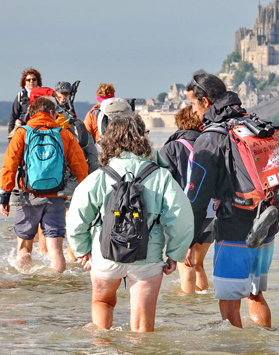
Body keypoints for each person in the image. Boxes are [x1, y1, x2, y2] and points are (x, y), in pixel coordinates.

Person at [67, 113, 194, 332]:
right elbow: (181, 218)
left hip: (105, 256)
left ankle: (102, 347)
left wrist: (82, 251)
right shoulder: (161, 176)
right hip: (147, 257)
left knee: (102, 303)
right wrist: (175, 255)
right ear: (142, 137)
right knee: (142, 327)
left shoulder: (100, 176)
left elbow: (77, 216)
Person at [185, 72, 279, 329]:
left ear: (205, 101)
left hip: (234, 221)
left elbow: (196, 198)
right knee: (254, 292)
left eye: (193, 104)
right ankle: (264, 343)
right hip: (266, 216)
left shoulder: (211, 137)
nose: (193, 111)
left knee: (228, 297)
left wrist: (189, 240)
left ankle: (235, 347)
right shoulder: (253, 124)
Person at [0, 96, 89, 273]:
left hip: (28, 197)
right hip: (56, 198)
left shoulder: (22, 133)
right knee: (56, 252)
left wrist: (5, 195)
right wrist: (84, 193)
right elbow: (81, 167)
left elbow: (9, 165)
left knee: (24, 249)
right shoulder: (64, 134)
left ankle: (26, 288)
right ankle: (55, 290)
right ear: (51, 113)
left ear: (32, 114)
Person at [160, 105, 215, 294]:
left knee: (186, 263)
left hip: (185, 212)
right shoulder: (211, 143)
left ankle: (188, 307)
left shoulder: (172, 147)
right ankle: (203, 301)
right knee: (198, 264)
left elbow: (163, 183)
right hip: (210, 210)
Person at [8, 68, 42, 138]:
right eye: (28, 80)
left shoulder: (43, 96)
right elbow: (13, 116)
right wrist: (11, 135)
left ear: (38, 81)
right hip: (25, 129)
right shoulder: (20, 95)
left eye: (34, 79)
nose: (31, 81)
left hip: (40, 129)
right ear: (24, 82)